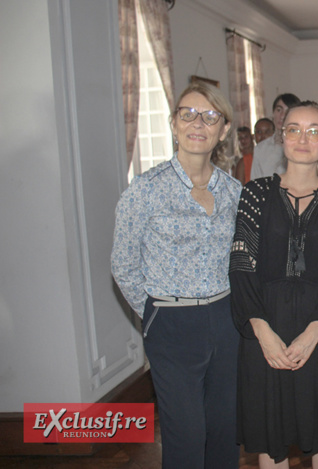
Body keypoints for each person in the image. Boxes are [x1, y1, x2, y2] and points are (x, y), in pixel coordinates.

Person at [111, 82, 241, 468]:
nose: (198, 124)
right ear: (173, 124)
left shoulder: (234, 191)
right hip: (170, 322)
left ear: (224, 129)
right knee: (185, 434)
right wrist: (156, 313)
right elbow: (123, 264)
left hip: (225, 320)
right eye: (188, 114)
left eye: (210, 116)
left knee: (224, 428)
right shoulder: (145, 190)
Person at [230, 101, 318, 469]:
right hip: (263, 328)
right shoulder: (254, 193)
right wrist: (262, 332)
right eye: (294, 129)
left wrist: (312, 334)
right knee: (270, 437)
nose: (303, 139)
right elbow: (241, 265)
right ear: (281, 137)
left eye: (314, 131)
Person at [251, 93, 301, 179]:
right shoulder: (261, 149)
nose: (282, 116)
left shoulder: (303, 146)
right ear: (273, 113)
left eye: (287, 111)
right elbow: (255, 180)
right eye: (279, 110)